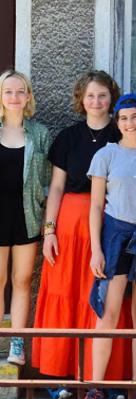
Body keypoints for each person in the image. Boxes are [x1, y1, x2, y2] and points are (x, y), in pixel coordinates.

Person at [30, 71, 129, 397]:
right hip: (70, 224)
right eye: (90, 96)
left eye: (102, 95)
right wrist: (49, 231)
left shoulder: (122, 132)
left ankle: (103, 381)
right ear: (81, 100)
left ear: (111, 98)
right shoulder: (68, 138)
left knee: (102, 298)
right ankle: (60, 378)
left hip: (111, 222)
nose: (96, 102)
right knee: (65, 293)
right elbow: (56, 187)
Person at [85, 93, 136, 399]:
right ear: (117, 123)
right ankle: (96, 386)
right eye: (123, 118)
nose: (129, 123)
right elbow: (96, 206)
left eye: (135, 117)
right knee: (107, 313)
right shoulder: (106, 154)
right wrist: (96, 249)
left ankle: (135, 386)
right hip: (113, 236)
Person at [0, 70, 52, 366]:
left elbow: (47, 180)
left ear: (28, 95)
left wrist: (46, 215)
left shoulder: (40, 134)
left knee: (21, 281)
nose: (14, 97)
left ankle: (17, 344)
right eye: (8, 91)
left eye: (20, 91)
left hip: (27, 215)